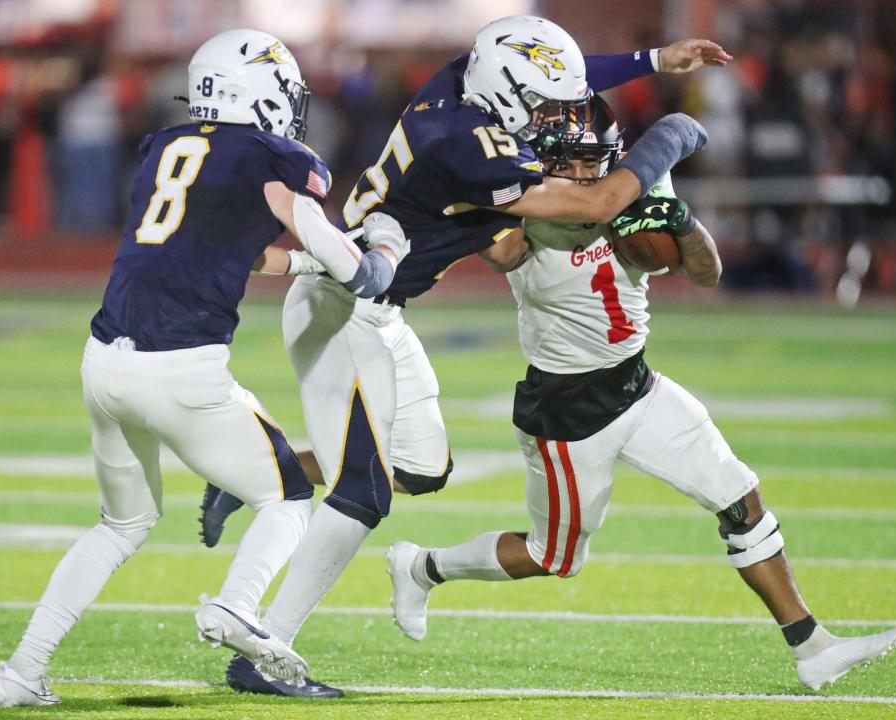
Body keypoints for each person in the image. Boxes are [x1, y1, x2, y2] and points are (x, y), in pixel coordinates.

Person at [201, 15, 725, 693]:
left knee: (418, 469)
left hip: (376, 307)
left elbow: (563, 80)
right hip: (342, 305)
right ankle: (262, 653)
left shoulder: (460, 84)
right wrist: (669, 138)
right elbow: (598, 203)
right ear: (506, 93)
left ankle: (265, 466)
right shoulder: (464, 144)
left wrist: (654, 57)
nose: (555, 117)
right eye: (540, 105)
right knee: (362, 490)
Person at [386, 95, 896, 692]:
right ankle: (422, 566)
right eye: (570, 163)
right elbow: (504, 251)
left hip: (638, 383)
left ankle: (811, 645)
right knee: (554, 557)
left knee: (740, 496)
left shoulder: (636, 183)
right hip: (567, 410)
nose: (585, 175)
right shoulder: (512, 204)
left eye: (594, 162)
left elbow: (706, 273)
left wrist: (678, 220)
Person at [0, 29, 409, 707]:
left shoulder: (161, 148)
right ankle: (238, 607)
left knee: (119, 526)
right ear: (257, 90)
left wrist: (310, 262)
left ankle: (19, 673)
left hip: (104, 363)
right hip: (181, 371)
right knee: (288, 497)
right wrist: (372, 263)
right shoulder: (272, 155)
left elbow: (223, 250)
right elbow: (325, 240)